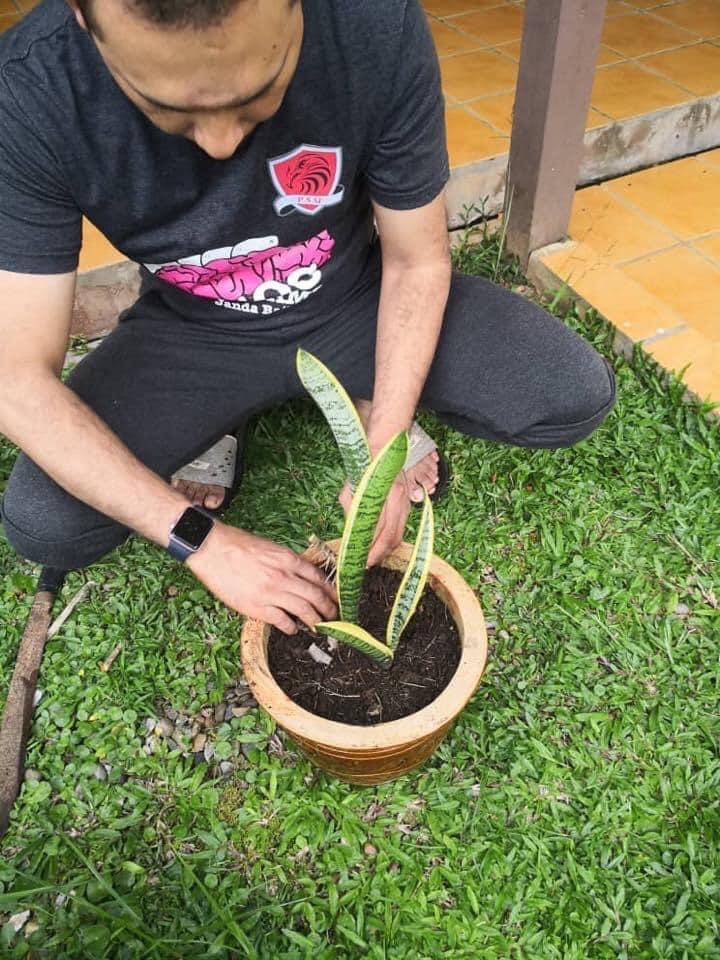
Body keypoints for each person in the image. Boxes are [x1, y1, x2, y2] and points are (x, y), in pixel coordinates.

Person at [0, 0, 615, 636]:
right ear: (83, 16)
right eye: (167, 109)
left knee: (565, 392)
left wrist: (383, 453)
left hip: (354, 298)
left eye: (258, 94)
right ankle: (223, 416)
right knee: (46, 522)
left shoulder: (373, 22)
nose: (222, 144)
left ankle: (371, 395)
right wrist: (199, 540)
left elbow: (416, 263)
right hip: (192, 330)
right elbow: (14, 376)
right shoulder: (28, 89)